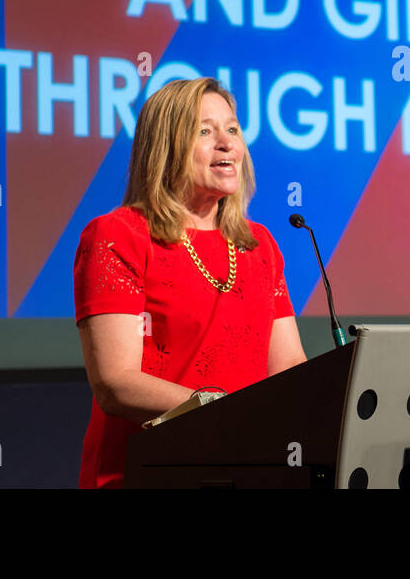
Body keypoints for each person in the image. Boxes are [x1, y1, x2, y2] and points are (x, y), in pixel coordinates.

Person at [73, 77, 307, 488]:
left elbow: (288, 369)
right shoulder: (118, 235)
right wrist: (226, 411)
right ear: (166, 146)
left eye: (232, 129)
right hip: (148, 472)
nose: (227, 143)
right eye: (204, 131)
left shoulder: (260, 246)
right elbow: (115, 382)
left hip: (247, 469)